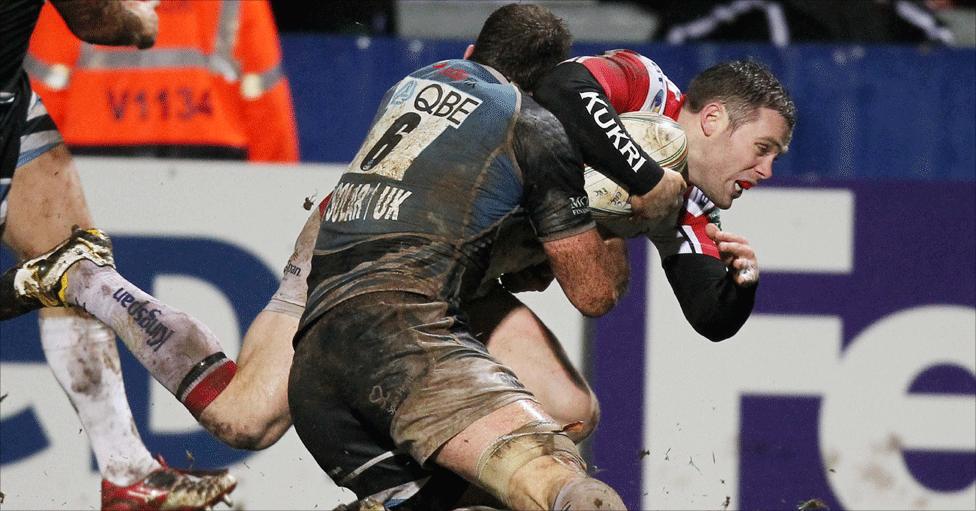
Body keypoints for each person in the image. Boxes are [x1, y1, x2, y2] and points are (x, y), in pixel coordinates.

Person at [288, 4, 632, 510]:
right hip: (404, 341)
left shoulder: (412, 84)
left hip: (315, 361)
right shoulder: (533, 125)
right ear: (549, 83)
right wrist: (624, 212)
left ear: (472, 54)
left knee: (486, 498)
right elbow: (593, 293)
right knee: (576, 496)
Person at [0, 1, 236, 509]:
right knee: (65, 266)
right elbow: (95, 18)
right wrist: (142, 21)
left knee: (69, 256)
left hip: (7, 97)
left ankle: (128, 469)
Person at [24, 0, 299, 162]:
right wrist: (275, 198)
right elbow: (266, 106)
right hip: (213, 161)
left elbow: (41, 101)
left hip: (94, 161)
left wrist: (39, 183)